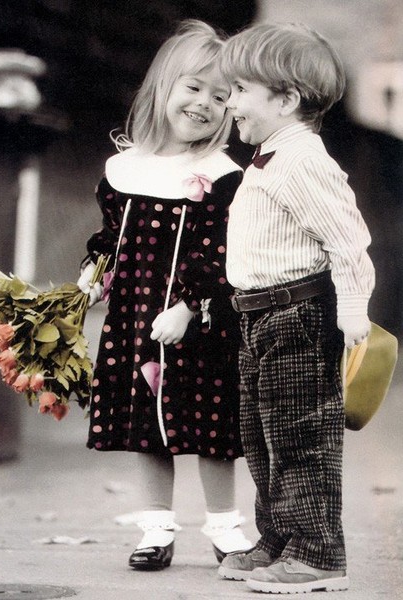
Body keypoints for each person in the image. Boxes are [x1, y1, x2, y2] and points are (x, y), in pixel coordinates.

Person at [77, 20, 252, 571]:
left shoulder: (221, 175)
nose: (204, 104)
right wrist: (94, 274)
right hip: (134, 320)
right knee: (145, 427)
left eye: (220, 97)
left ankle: (226, 528)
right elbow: (111, 239)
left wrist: (187, 307)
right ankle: (155, 529)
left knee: (210, 426)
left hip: (200, 322)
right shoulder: (123, 169)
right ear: (162, 87)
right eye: (193, 88)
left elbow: (222, 256)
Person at [217, 22, 375, 594]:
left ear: (286, 100)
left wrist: (352, 310)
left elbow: (348, 240)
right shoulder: (270, 158)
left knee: (300, 437)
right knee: (261, 436)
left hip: (297, 318)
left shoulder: (303, 161)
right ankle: (280, 538)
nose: (229, 102)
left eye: (241, 90)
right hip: (258, 316)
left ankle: (318, 553)